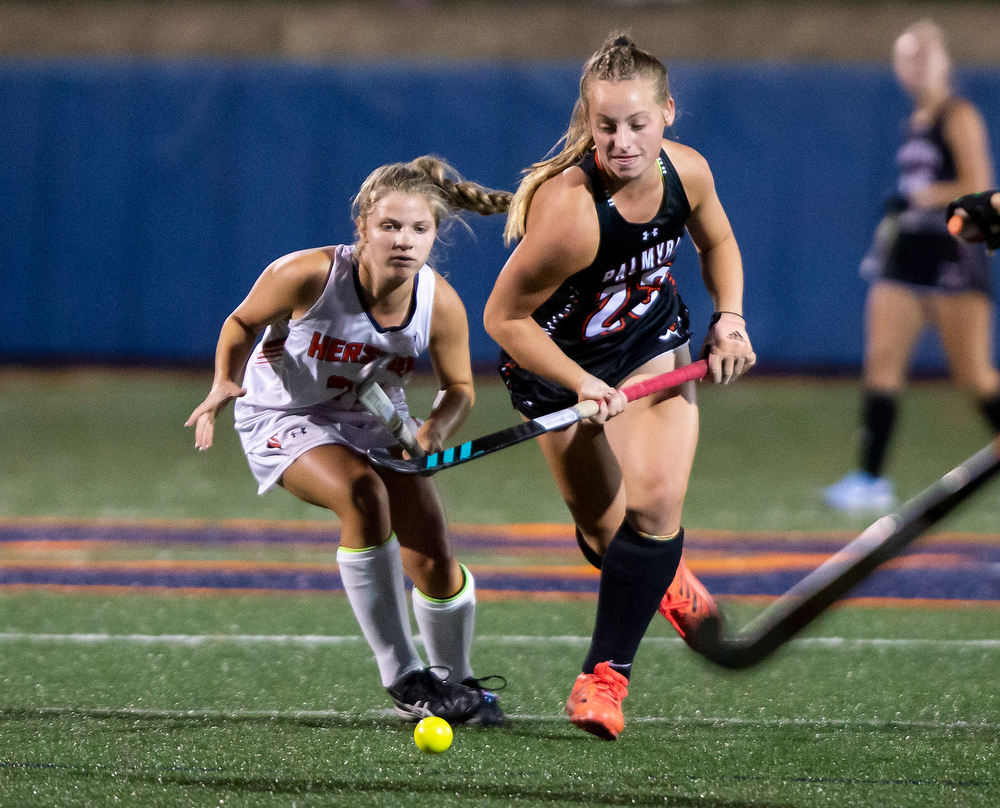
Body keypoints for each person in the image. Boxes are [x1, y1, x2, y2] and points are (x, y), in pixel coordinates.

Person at [482, 34, 756, 740]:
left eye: (638, 122)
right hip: (558, 369)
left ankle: (603, 679)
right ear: (587, 120)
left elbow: (718, 244)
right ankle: (665, 574)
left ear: (668, 112)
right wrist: (579, 383)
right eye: (607, 125)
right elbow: (504, 318)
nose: (623, 140)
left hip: (646, 346)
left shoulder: (687, 173)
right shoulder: (571, 215)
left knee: (656, 506)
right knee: (611, 541)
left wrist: (729, 320)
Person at [185, 157, 512, 725]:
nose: (403, 241)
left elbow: (459, 387)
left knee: (434, 557)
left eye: (419, 229)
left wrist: (435, 431)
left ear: (435, 235)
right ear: (361, 224)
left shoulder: (442, 304)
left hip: (373, 419)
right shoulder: (307, 274)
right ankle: (403, 675)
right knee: (363, 495)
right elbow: (241, 324)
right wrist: (224, 381)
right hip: (280, 412)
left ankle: (456, 685)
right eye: (389, 226)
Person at [824, 20, 1000, 512]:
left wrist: (921, 197)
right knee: (881, 362)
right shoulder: (914, 123)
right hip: (908, 259)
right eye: (907, 57)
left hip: (953, 259)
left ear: (944, 61)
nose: (916, 66)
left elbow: (979, 184)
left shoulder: (957, 114)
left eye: (926, 55)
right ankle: (869, 477)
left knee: (975, 376)